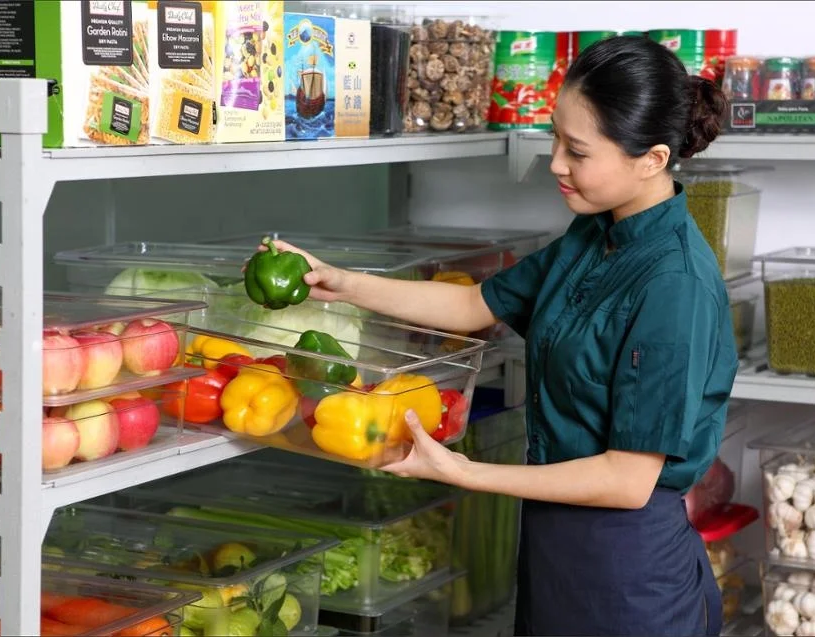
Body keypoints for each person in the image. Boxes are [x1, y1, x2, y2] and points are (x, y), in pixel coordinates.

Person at [267, 35, 738, 637]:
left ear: (652, 158)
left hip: (630, 577)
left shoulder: (675, 284)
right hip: (554, 549)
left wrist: (464, 472)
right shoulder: (595, 234)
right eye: (555, 138)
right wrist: (342, 282)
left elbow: (625, 481)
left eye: (578, 150)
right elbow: (473, 303)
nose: (557, 163)